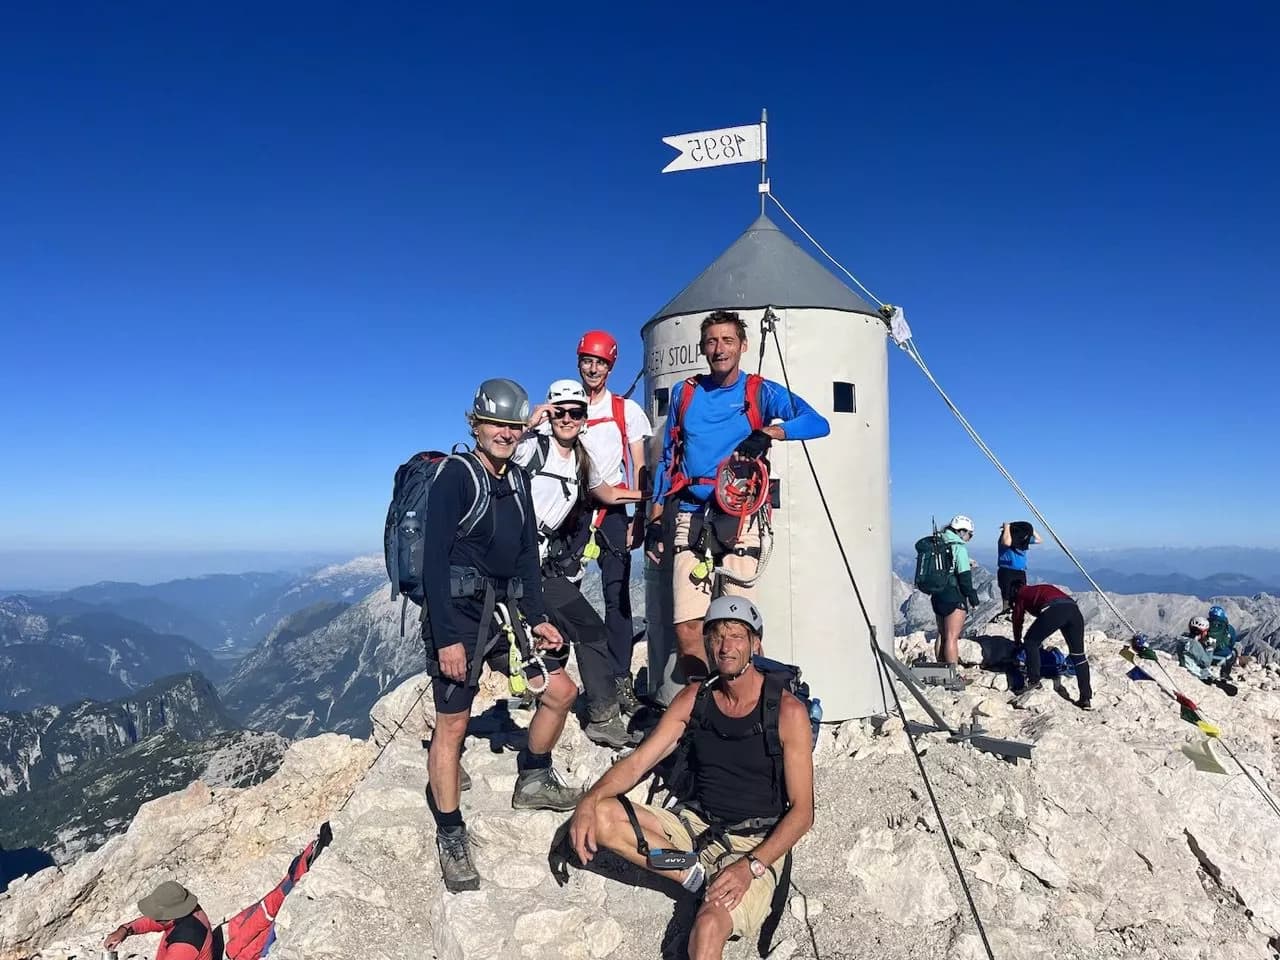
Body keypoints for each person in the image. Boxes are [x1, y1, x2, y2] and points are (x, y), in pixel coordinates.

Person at [568, 597, 814, 960]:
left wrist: (751, 867)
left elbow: (803, 813)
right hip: (696, 824)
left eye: (737, 636)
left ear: (755, 645)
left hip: (754, 843)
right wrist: (589, 800)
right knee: (602, 815)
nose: (726, 646)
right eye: (716, 636)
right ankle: (697, 876)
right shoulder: (695, 699)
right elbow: (638, 763)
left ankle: (711, 884)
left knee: (708, 929)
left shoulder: (787, 712)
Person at [422, 378, 581, 893]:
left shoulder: (517, 484)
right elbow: (431, 564)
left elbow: (526, 564)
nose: (505, 435)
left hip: (506, 612)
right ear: (476, 424)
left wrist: (538, 617)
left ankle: (533, 776)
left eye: (513, 427)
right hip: (461, 616)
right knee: (453, 724)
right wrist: (446, 637)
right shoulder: (455, 478)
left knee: (561, 692)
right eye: (495, 425)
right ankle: (450, 832)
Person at [647, 310, 830, 682]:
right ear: (702, 348)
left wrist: (769, 433)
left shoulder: (759, 392)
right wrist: (653, 521)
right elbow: (667, 461)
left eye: (728, 340)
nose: (719, 349)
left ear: (743, 346)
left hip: (742, 515)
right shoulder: (686, 393)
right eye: (712, 341)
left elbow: (817, 422)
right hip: (691, 513)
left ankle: (747, 712)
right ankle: (701, 715)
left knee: (738, 628)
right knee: (688, 628)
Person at [515, 379, 645, 748]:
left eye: (575, 412)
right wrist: (528, 423)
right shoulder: (531, 449)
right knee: (589, 630)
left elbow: (606, 492)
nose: (567, 419)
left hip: (543, 565)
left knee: (563, 631)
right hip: (520, 563)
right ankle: (602, 717)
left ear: (584, 417)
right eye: (560, 412)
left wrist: (651, 495)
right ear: (550, 413)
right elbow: (494, 451)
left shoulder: (581, 459)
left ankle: (544, 691)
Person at [576, 330, 654, 715]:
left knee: (616, 595)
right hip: (570, 513)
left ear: (610, 366)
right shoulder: (567, 406)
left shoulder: (627, 411)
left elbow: (640, 466)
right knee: (556, 591)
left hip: (613, 511)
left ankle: (620, 677)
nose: (593, 369)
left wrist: (640, 516)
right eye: (587, 361)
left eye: (600, 363)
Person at [1009, 582, 1094, 710]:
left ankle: (1033, 680)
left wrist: (1017, 642)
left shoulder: (1021, 595)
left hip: (1055, 610)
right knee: (1078, 656)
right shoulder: (1039, 588)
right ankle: (1085, 698)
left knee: (1031, 641)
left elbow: (1018, 619)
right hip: (1074, 610)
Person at [103, 881, 214, 960]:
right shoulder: (187, 910)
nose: (154, 919)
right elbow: (152, 922)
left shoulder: (185, 942)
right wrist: (125, 930)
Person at [932, 515, 981, 665]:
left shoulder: (937, 543)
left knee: (942, 635)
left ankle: (941, 670)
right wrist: (973, 598)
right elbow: (965, 580)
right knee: (952, 637)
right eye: (969, 534)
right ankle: (952, 675)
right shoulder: (959, 548)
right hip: (954, 596)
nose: (969, 538)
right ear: (961, 531)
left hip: (937, 594)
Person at [995, 521, 1041, 619]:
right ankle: (1006, 612)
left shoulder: (1021, 540)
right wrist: (1007, 528)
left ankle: (1019, 613)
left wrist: (1030, 530)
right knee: (1007, 594)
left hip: (1020, 571)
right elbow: (1006, 542)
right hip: (1007, 571)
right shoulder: (1006, 538)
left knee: (1021, 593)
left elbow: (1039, 540)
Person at [1206, 604, 1240, 681]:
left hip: (1205, 657)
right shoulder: (1229, 628)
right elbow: (1232, 643)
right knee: (1234, 651)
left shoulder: (1205, 625)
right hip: (1222, 659)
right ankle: (1225, 674)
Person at [1177, 615, 1214, 681]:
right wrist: (1210, 648)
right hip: (1195, 673)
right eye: (1206, 631)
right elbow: (1206, 663)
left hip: (1184, 668)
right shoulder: (1194, 644)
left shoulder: (1183, 640)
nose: (1206, 633)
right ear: (1202, 631)